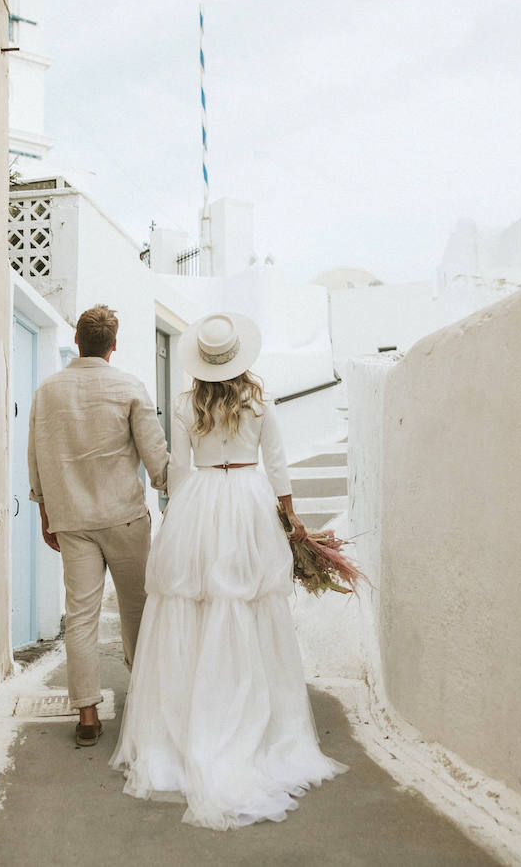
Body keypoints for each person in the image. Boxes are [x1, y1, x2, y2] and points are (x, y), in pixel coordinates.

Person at [109, 311, 346, 830]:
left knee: (191, 603)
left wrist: (174, 510)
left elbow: (176, 467)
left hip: (198, 499)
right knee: (244, 601)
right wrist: (292, 520)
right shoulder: (259, 402)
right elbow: (278, 467)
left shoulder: (182, 403)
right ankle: (247, 715)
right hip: (247, 500)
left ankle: (190, 717)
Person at [27, 304, 169, 747]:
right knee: (139, 609)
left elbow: (37, 455)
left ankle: (87, 713)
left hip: (73, 518)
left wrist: (45, 512)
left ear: (76, 342)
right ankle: (148, 698)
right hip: (124, 516)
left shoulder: (48, 390)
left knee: (82, 615)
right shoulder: (128, 386)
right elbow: (156, 457)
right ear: (113, 345)